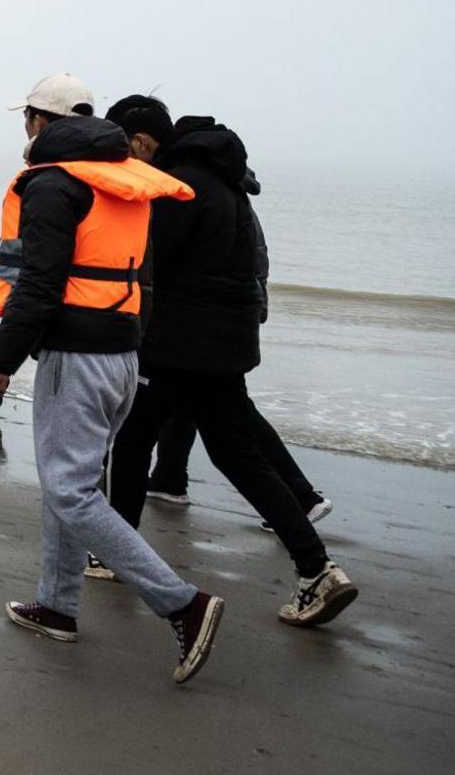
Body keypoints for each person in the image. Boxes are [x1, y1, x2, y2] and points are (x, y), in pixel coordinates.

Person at [0, 72, 224, 685]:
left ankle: (182, 604)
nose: (25, 127)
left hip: (76, 358)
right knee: (74, 481)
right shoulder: (122, 178)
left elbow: (39, 283)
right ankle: (57, 605)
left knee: (69, 489)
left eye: (27, 116)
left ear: (41, 120)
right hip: (122, 354)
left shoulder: (54, 184)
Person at [98, 96, 357, 626]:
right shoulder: (226, 180)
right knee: (238, 456)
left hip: (179, 344)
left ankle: (114, 554)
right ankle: (317, 569)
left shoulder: (177, 186)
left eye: (125, 149)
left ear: (143, 142)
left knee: (130, 441)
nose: (124, 163)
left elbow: (143, 262)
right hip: (225, 343)